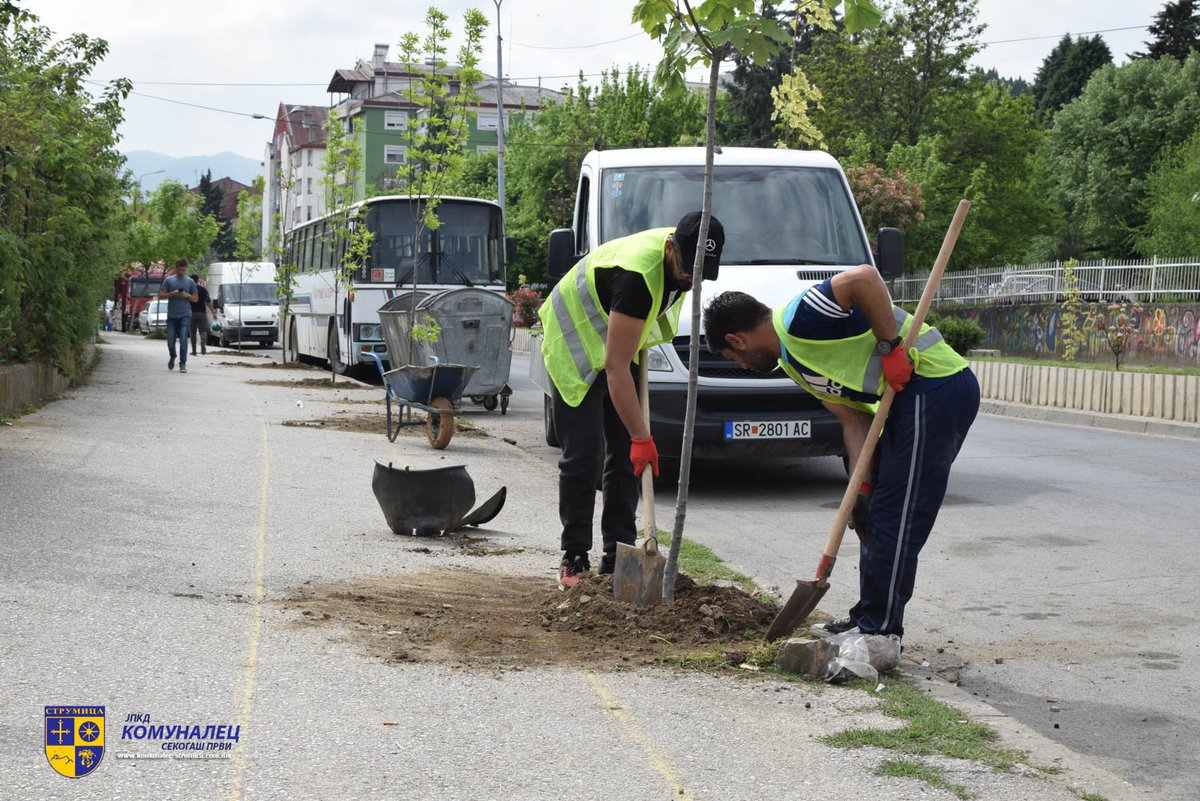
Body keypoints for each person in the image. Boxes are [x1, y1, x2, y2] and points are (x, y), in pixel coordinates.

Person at [701, 265, 980, 638]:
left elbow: (863, 278)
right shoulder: (792, 361)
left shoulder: (800, 318)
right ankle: (868, 617)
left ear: (737, 340)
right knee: (876, 516)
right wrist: (861, 488)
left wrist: (891, 348)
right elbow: (853, 422)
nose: (741, 366)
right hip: (909, 399)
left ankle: (878, 631)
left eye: (733, 358)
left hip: (935, 386)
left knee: (897, 516)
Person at [538, 211, 725, 589]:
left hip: (617, 338)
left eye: (700, 272)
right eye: (687, 268)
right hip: (576, 338)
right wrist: (644, 437)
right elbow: (615, 367)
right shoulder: (637, 277)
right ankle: (574, 555)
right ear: (671, 248)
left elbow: (627, 347)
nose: (691, 278)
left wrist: (634, 439)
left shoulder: (685, 258)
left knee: (623, 455)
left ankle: (618, 552)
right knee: (584, 454)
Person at [159, 258, 198, 373]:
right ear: (175, 268)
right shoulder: (169, 280)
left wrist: (187, 295)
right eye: (179, 269)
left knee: (183, 340)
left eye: (183, 270)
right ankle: (172, 356)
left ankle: (183, 363)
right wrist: (173, 293)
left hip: (185, 315)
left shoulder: (190, 282)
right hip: (172, 316)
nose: (181, 272)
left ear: (186, 269)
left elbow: (195, 299)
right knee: (170, 340)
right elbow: (161, 295)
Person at [188, 274, 214, 356]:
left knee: (192, 332)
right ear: (197, 280)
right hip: (202, 313)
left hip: (191, 313)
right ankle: (203, 342)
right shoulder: (203, 290)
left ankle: (194, 351)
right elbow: (208, 302)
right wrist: (213, 312)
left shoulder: (188, 290)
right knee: (203, 330)